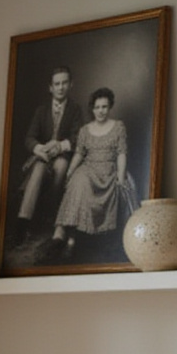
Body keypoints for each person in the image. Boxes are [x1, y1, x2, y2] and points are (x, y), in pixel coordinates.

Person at [52, 87, 135, 257]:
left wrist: (120, 176)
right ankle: (66, 236)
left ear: (110, 106)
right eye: (97, 107)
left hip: (109, 170)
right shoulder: (85, 130)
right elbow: (79, 153)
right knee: (78, 181)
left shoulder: (118, 127)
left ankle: (73, 237)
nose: (100, 111)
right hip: (88, 168)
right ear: (92, 108)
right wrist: (69, 172)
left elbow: (121, 153)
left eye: (104, 107)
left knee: (117, 185)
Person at [15, 66, 84, 240]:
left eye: (64, 83)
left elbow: (78, 137)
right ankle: (23, 220)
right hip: (43, 156)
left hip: (62, 156)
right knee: (38, 169)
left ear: (71, 85)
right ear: (50, 88)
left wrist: (60, 146)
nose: (60, 87)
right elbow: (29, 137)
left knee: (61, 167)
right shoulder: (41, 110)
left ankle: (53, 215)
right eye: (57, 84)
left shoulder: (75, 109)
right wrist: (39, 148)